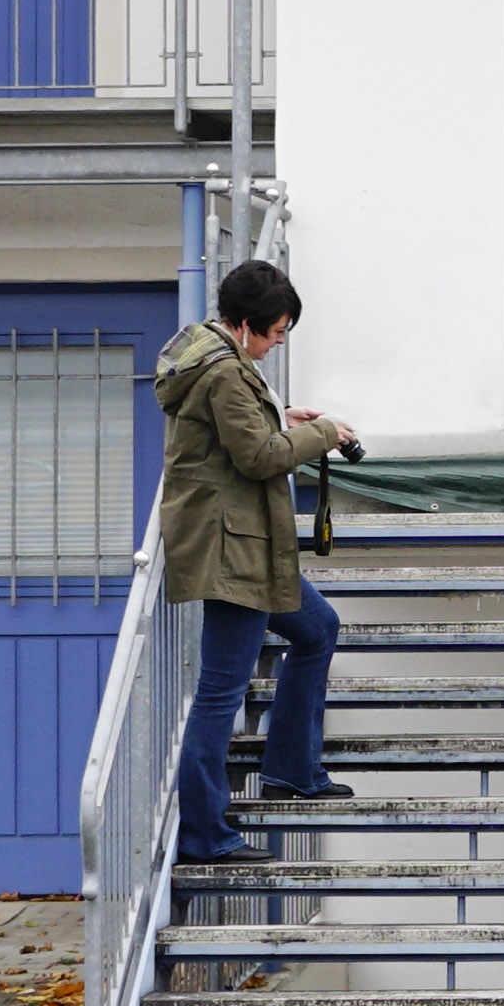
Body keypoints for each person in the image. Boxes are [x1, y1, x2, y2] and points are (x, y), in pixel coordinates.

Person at [152, 256, 360, 860]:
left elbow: (239, 435)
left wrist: (282, 417)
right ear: (245, 325)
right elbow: (258, 457)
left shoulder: (222, 360)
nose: (278, 343)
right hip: (229, 549)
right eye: (275, 332)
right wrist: (323, 434)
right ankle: (204, 834)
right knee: (221, 692)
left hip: (246, 543)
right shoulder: (223, 371)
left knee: (318, 628)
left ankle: (292, 770)